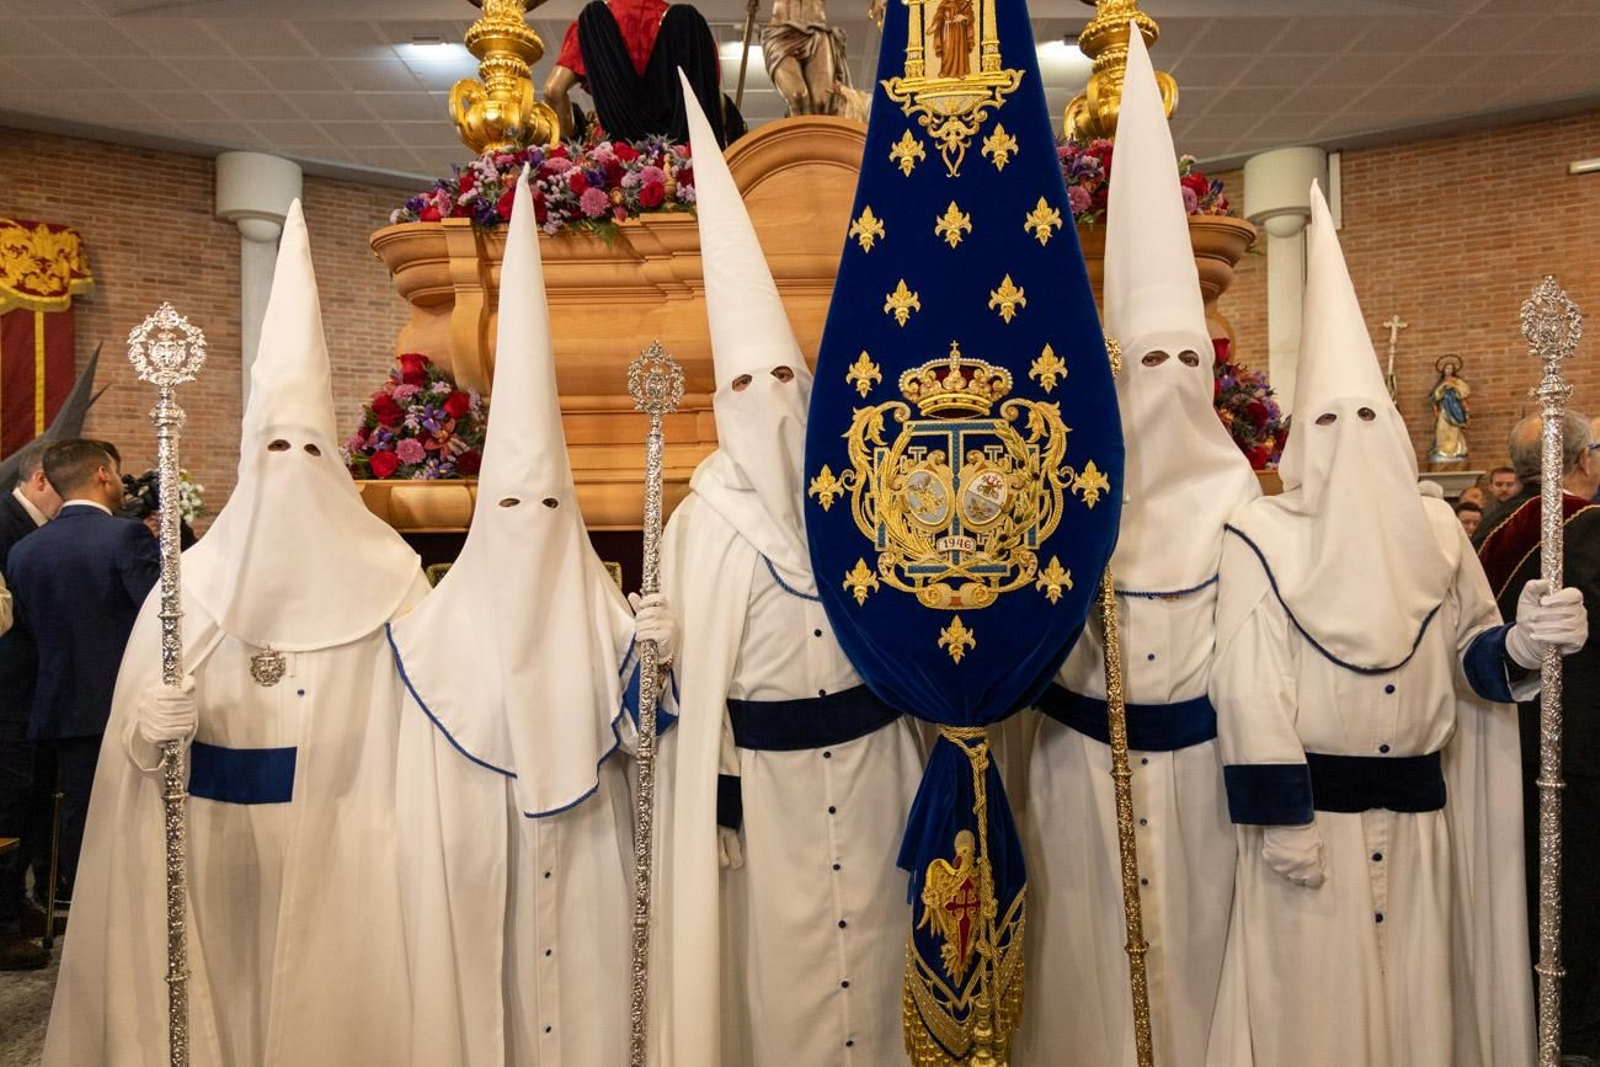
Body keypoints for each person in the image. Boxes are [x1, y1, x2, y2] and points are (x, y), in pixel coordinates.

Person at [44, 201, 429, 1066]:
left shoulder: (395, 583)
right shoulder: (191, 589)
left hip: (346, 849)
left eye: (306, 449)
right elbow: (131, 764)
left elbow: (434, 718)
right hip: (211, 854)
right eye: (272, 449)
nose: (289, 470)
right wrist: (152, 728)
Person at [1206, 184, 1576, 1067]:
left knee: (1419, 1015)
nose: (1351, 435)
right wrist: (1282, 817)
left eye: (1366, 416)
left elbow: (1466, 663)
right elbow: (1246, 679)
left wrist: (1520, 645)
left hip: (1419, 830)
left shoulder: (1439, 532)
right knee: (1315, 1025)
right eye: (1329, 419)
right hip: (1312, 835)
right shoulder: (1262, 535)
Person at [662, 78, 923, 1066]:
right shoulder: (700, 525)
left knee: (885, 956)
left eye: (781, 379)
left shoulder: (862, 497)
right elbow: (685, 695)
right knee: (782, 985)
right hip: (762, 799)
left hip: (876, 774)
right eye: (745, 384)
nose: (767, 399)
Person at [389, 169, 674, 1065]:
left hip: (596, 887)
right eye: (509, 509)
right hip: (480, 885)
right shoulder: (423, 638)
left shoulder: (608, 619)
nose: (528, 531)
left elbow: (653, 755)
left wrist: (657, 660)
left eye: (547, 510)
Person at [1017, 30, 1258, 1067]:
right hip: (1080, 775)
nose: (1165, 376)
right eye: (1145, 356)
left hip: (1205, 788)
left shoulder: (1245, 498)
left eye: (1183, 357)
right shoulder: (1072, 493)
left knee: (1197, 975)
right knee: (1085, 986)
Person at [1476, 411, 1600, 1064]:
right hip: (1576, 745)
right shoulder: (1584, 524)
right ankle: (1574, 1033)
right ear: (1583, 460)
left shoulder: (1497, 522)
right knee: (1574, 893)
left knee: (1529, 884)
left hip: (1507, 731)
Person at [6, 438, 158, 907]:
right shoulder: (125, 536)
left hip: (57, 703)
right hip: (122, 701)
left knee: (79, 813)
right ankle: (131, 911)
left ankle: (83, 908)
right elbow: (161, 619)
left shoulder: (25, 549)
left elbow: (25, 626)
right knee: (131, 816)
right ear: (102, 474)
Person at [0, 442, 59, 970]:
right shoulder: (3, 522)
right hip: (6, 690)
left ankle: (17, 902)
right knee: (7, 800)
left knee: (29, 797)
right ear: (42, 478)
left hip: (33, 689)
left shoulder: (36, 527)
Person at [543, 0, 739, 146]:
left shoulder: (592, 22)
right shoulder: (689, 25)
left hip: (617, 160)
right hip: (679, 163)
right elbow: (711, 101)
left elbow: (553, 91)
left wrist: (573, 139)